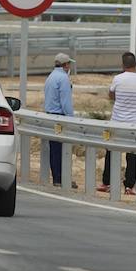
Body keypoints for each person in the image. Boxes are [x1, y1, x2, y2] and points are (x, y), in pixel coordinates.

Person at [98, 51, 136, 196]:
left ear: (122, 65)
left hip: (118, 121)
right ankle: (129, 186)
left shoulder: (118, 78)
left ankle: (107, 183)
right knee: (132, 154)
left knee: (111, 151)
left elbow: (111, 95)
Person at [43, 53, 75, 187]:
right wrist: (71, 118)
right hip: (60, 116)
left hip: (50, 114)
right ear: (65, 65)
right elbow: (65, 102)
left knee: (54, 149)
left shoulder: (51, 77)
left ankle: (57, 177)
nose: (69, 66)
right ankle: (61, 178)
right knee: (62, 149)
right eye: (69, 64)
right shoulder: (63, 79)